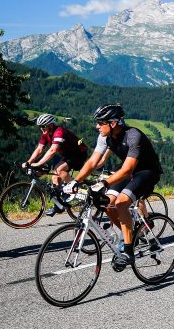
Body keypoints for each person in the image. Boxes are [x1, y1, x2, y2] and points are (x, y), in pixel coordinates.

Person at [63, 104, 163, 268]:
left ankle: (128, 251)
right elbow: (93, 162)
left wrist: (103, 182)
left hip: (147, 172)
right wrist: (76, 181)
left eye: (100, 122)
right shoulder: (105, 137)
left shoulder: (133, 136)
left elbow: (128, 169)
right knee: (108, 205)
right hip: (128, 172)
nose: (97, 126)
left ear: (113, 123)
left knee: (121, 202)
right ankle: (132, 233)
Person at [24, 113, 88, 216]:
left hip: (78, 154)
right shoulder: (46, 134)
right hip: (68, 155)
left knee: (59, 170)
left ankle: (77, 189)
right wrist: (29, 162)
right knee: (55, 178)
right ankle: (58, 206)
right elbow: (40, 149)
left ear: (51, 125)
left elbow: (53, 150)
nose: (41, 129)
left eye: (43, 126)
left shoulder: (59, 132)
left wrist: (39, 163)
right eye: (40, 127)